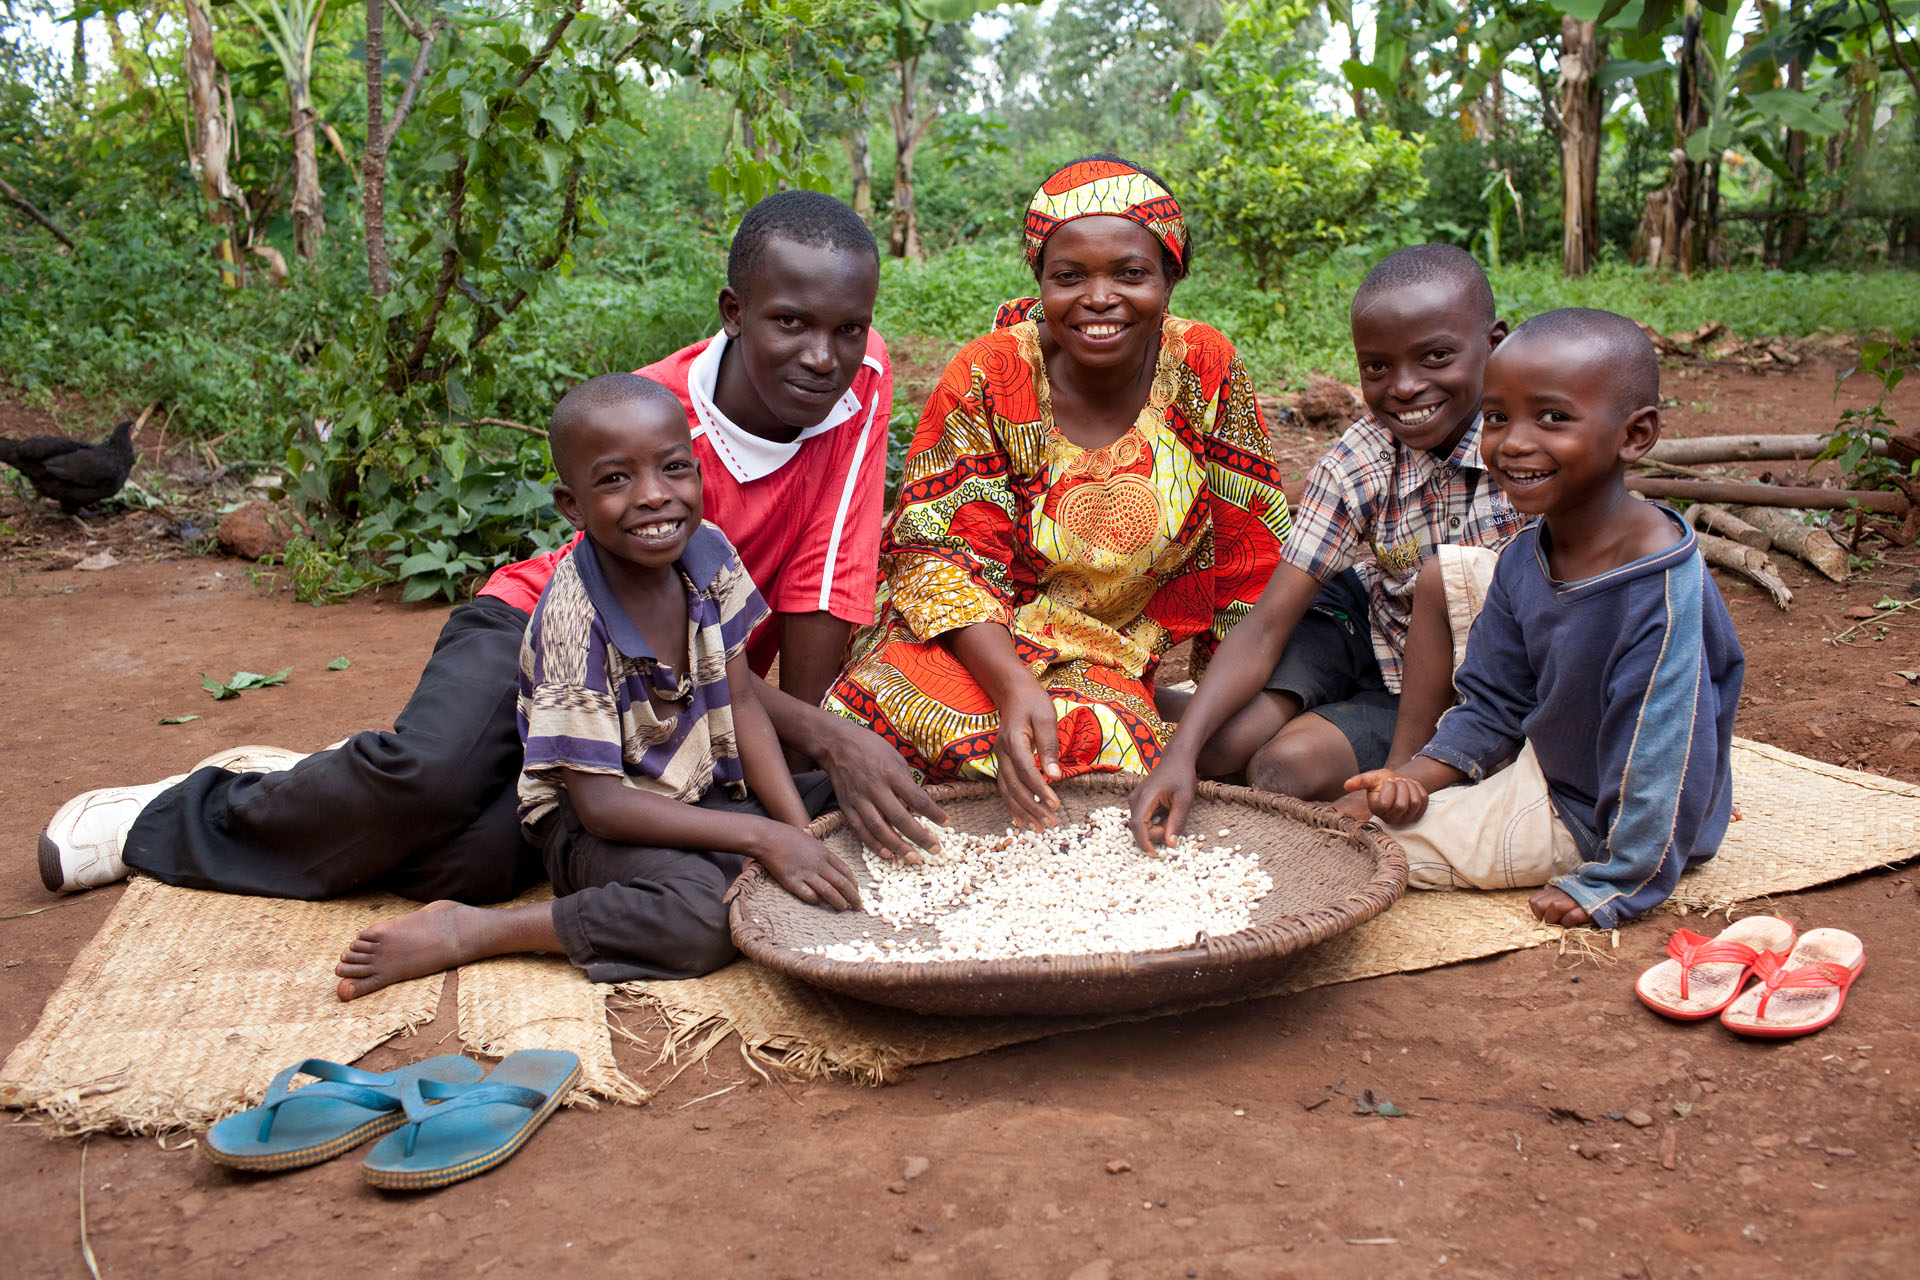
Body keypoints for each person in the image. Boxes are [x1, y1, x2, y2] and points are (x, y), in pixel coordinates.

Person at [39, 191, 942, 902]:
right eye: (791, 323)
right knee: (429, 782)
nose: (822, 357)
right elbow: (606, 618)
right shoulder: (648, 429)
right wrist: (819, 736)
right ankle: (181, 812)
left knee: (477, 862)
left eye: (845, 329)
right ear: (734, 313)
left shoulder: (857, 378)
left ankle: (325, 786)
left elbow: (828, 571)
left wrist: (810, 750)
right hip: (545, 630)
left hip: (673, 692)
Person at [335, 374, 860, 998]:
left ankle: (753, 856)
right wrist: (764, 837)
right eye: (615, 479)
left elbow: (742, 701)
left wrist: (801, 834)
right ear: (572, 506)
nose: (654, 496)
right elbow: (602, 807)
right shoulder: (573, 621)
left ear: (698, 473)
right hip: (599, 826)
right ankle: (474, 930)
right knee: (699, 919)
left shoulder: (709, 553)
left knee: (856, 798)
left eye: (673, 468)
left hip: (705, 788)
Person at [824, 155, 1291, 830]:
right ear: (1041, 280)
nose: (1099, 298)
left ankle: (1142, 719)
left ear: (1170, 278)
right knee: (875, 713)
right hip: (972, 640)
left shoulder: (1202, 367)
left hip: (1105, 650)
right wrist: (1013, 687)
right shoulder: (991, 373)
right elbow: (939, 559)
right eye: (1069, 277)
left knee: (1095, 739)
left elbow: (1249, 552)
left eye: (1130, 274)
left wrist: (1213, 723)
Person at [1338, 308, 1744, 928]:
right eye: (1498, 417)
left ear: (1635, 436)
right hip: (1548, 758)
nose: (1514, 444)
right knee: (1359, 819)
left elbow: (1663, 760)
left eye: (1553, 417)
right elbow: (1495, 701)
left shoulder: (1658, 592)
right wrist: (1412, 777)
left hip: (1590, 817)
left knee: (1362, 849)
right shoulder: (1527, 554)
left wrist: (1616, 882)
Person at [1129, 243, 1525, 846]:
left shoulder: (1531, 458)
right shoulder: (1362, 458)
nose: (1405, 388)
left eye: (1436, 357)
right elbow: (1267, 625)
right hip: (1360, 628)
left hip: (1454, 689)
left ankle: (1270, 716)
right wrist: (1179, 756)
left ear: (1494, 344)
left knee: (1282, 769)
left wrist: (1397, 778)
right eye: (1377, 367)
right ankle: (1136, 701)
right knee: (1220, 748)